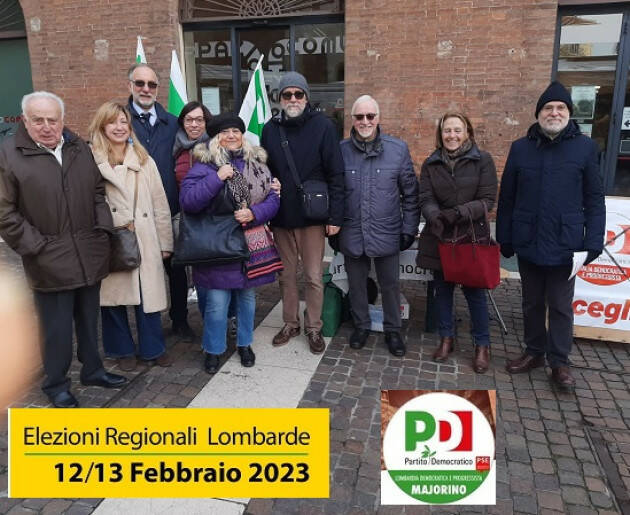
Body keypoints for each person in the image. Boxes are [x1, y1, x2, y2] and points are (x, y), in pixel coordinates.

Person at [0, 91, 127, 408]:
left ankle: (93, 370)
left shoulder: (77, 147)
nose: (46, 126)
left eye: (52, 120)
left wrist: (102, 230)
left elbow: (97, 191)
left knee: (89, 320)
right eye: (38, 120)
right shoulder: (9, 154)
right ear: (25, 120)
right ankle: (56, 384)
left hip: (88, 252)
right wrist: (36, 246)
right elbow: (4, 212)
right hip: (48, 259)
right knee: (55, 329)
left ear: (62, 120)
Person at [497, 81, 605, 389]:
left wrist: (593, 241)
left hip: (566, 243)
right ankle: (534, 352)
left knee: (559, 305)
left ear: (569, 113)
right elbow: (508, 196)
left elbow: (594, 199)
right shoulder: (521, 148)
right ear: (538, 113)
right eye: (548, 107)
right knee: (531, 302)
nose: (554, 113)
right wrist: (505, 236)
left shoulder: (585, 148)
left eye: (560, 107)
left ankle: (559, 362)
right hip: (528, 237)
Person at [180, 113, 280, 374]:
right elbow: (188, 202)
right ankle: (213, 349)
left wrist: (254, 213)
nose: (231, 135)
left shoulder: (257, 165)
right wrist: (217, 178)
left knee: (246, 300)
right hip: (218, 246)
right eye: (225, 132)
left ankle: (245, 344)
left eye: (236, 131)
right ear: (216, 138)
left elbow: (273, 199)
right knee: (216, 304)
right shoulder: (204, 166)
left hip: (250, 245)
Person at [261, 72, 344, 354]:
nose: (293, 99)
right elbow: (265, 172)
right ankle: (290, 323)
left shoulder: (324, 126)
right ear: (280, 99)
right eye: (287, 95)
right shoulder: (270, 129)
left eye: (299, 94)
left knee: (312, 276)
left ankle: (314, 326)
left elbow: (336, 173)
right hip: (281, 215)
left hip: (312, 215)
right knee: (285, 275)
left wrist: (335, 216)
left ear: (307, 97)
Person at [88, 101, 174, 372]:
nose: (119, 127)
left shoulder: (144, 159)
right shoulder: (91, 161)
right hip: (111, 238)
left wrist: (165, 242)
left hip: (144, 236)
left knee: (148, 296)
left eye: (123, 121)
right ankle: (121, 349)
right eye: (112, 122)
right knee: (113, 298)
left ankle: (153, 348)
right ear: (102, 126)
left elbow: (160, 203)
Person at [339, 95, 419, 356]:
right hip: (352, 230)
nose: (365, 121)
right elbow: (334, 192)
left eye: (370, 116)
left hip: (387, 230)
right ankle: (361, 325)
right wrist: (334, 226)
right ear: (352, 119)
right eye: (359, 116)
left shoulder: (398, 150)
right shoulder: (340, 151)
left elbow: (411, 194)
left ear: (378, 118)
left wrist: (409, 229)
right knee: (357, 284)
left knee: (390, 284)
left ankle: (393, 329)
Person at [417, 112, 498, 373]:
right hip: (441, 235)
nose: (451, 135)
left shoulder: (482, 160)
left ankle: (482, 345)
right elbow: (425, 197)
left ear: (467, 133)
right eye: (447, 130)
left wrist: (459, 213)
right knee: (442, 291)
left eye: (457, 130)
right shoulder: (431, 163)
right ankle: (446, 338)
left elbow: (487, 200)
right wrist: (434, 216)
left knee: (475, 294)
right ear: (440, 134)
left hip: (470, 236)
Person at [127, 63, 194, 341]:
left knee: (176, 271)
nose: (146, 89)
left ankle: (180, 319)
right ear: (130, 86)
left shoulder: (172, 122)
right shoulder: (120, 122)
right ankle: (148, 329)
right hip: (135, 214)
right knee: (142, 273)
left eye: (152, 84)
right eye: (140, 83)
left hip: (170, 210)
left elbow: (195, 148)